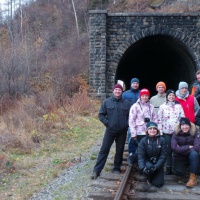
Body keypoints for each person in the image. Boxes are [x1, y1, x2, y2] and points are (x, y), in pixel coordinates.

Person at [91, 84, 131, 179]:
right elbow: (101, 115)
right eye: (116, 90)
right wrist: (107, 123)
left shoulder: (126, 103)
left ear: (122, 91)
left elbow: (131, 116)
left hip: (122, 131)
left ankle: (116, 168)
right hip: (110, 130)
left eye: (119, 90)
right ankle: (96, 170)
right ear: (113, 91)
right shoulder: (107, 102)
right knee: (104, 150)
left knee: (120, 150)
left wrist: (126, 124)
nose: (118, 91)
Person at [157, 89, 185, 175]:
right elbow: (159, 120)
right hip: (166, 132)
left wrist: (182, 130)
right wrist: (160, 132)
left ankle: (176, 168)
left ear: (175, 97)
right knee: (168, 150)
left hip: (177, 132)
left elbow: (182, 118)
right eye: (169, 95)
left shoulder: (179, 107)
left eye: (173, 95)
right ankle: (168, 167)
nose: (171, 97)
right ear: (167, 96)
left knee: (177, 150)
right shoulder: (162, 106)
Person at [128, 88, 157, 166]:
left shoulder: (151, 107)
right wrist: (133, 133)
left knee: (147, 149)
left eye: (146, 96)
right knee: (141, 149)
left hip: (149, 131)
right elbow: (131, 120)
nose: (144, 97)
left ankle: (144, 164)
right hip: (139, 131)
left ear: (148, 96)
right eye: (143, 95)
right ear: (140, 96)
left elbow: (154, 118)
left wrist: (155, 130)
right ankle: (133, 159)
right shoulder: (135, 106)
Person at [171, 117, 200, 187]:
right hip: (179, 156)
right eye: (183, 125)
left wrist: (180, 149)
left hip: (190, 155)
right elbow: (174, 148)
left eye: (187, 125)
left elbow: (197, 146)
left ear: (190, 126)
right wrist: (188, 147)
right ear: (180, 126)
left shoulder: (195, 132)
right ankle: (190, 169)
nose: (185, 127)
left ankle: (192, 178)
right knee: (179, 173)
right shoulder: (175, 134)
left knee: (194, 154)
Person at [138, 122, 167, 188]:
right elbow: (141, 156)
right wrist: (142, 167)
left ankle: (154, 176)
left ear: (157, 130)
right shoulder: (143, 141)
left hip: (157, 163)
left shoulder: (162, 140)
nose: (152, 130)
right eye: (150, 129)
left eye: (154, 128)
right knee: (148, 168)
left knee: (158, 184)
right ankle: (147, 175)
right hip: (147, 162)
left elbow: (163, 156)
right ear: (147, 131)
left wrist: (156, 167)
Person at [122, 78, 140, 166]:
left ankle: (138, 154)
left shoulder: (142, 94)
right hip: (130, 120)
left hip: (140, 121)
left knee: (140, 138)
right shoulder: (125, 94)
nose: (135, 85)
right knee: (131, 136)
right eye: (134, 83)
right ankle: (132, 153)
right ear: (131, 84)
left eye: (137, 83)